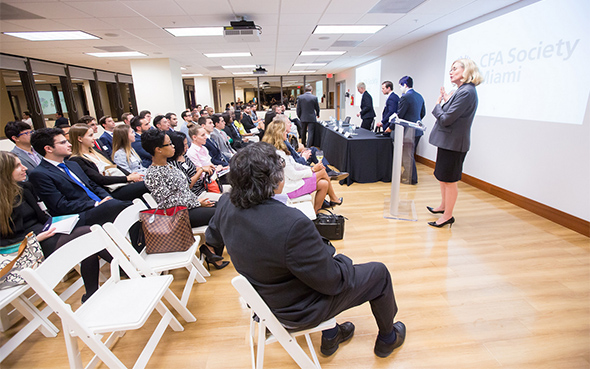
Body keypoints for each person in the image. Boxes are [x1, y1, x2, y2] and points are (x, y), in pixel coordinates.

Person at [205, 142, 405, 358]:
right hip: (296, 309)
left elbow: (213, 237)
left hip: (263, 295)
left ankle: (332, 334)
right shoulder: (292, 224)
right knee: (379, 273)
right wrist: (340, 260)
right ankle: (388, 338)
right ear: (276, 180)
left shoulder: (226, 203)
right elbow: (333, 281)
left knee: (304, 269)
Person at [0, 151, 111, 301]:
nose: (24, 168)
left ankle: (92, 293)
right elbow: (4, 241)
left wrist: (59, 223)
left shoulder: (24, 188)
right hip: (23, 248)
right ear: (4, 172)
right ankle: (125, 268)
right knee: (87, 234)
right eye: (17, 166)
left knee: (86, 238)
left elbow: (42, 216)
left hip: (46, 232)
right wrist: (36, 239)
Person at [140, 129, 227, 270]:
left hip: (190, 206)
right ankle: (210, 249)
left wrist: (197, 202)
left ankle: (211, 250)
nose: (173, 146)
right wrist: (197, 202)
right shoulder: (153, 173)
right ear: (158, 150)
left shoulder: (169, 166)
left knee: (225, 205)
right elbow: (167, 202)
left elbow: (185, 189)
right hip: (178, 215)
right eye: (169, 144)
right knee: (222, 213)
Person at [28, 127, 130, 227]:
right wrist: (96, 204)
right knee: (123, 207)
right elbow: (60, 205)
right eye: (63, 143)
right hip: (77, 215)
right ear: (48, 148)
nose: (70, 144)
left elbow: (92, 185)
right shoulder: (40, 174)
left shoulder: (72, 164)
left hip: (99, 205)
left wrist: (107, 198)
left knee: (126, 206)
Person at [428, 58, 483, 228]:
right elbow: (449, 114)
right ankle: (444, 206)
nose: (450, 72)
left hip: (454, 144)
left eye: (454, 69)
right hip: (447, 142)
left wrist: (438, 105)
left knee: (450, 180)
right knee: (443, 177)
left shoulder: (467, 92)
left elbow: (445, 119)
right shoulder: (461, 91)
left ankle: (448, 216)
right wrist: (446, 101)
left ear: (466, 71)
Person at [262, 118, 342, 214]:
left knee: (324, 184)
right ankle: (334, 198)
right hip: (289, 188)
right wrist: (313, 170)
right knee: (322, 172)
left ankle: (317, 213)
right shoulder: (279, 153)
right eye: (284, 131)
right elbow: (293, 174)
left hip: (290, 183)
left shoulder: (279, 149)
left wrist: (312, 168)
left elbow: (294, 165)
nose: (286, 133)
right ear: (278, 134)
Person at [68, 123, 148, 201]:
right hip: (113, 189)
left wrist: (131, 176)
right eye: (90, 135)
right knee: (149, 183)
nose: (94, 138)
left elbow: (115, 166)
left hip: (123, 183)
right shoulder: (77, 159)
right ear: (79, 139)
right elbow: (99, 179)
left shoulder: (97, 152)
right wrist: (128, 178)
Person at [397, 76, 426, 185]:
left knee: (407, 154)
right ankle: (407, 174)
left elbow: (400, 115)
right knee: (410, 154)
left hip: (408, 131)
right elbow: (423, 113)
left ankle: (412, 178)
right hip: (417, 130)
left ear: (405, 85)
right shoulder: (419, 96)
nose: (400, 89)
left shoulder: (405, 97)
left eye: (400, 86)